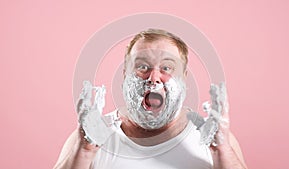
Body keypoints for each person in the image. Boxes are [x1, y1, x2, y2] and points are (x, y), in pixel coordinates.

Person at [54, 29, 248, 169]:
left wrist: (222, 151)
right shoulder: (91, 136)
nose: (154, 77)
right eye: (142, 67)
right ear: (125, 75)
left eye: (167, 68)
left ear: (184, 78)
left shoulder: (214, 139)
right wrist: (84, 151)